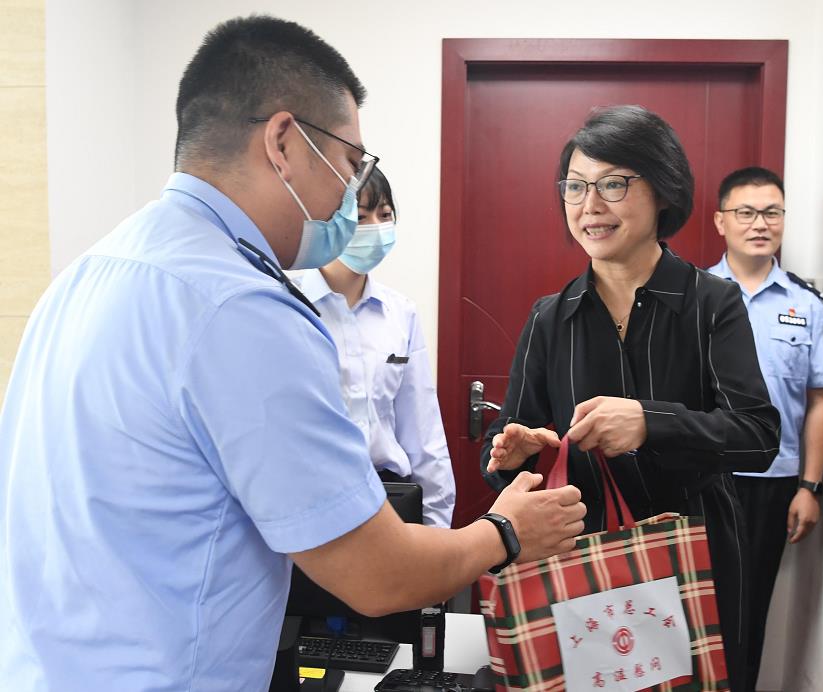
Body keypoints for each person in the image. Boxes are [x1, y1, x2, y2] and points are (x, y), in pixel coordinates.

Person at [0, 16, 587, 692]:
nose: (350, 197)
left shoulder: (91, 272)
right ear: (283, 142)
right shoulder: (241, 309)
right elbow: (377, 575)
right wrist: (505, 531)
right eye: (350, 165)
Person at [479, 105, 781, 692]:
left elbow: (758, 435)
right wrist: (514, 454)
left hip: (696, 555)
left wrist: (651, 423)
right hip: (580, 560)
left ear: (663, 189)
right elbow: (511, 451)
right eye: (575, 186)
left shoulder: (711, 303)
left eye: (613, 184)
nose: (590, 205)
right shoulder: (550, 318)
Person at [707, 166, 823, 692]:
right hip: (702, 478)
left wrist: (810, 486)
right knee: (692, 606)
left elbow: (820, 400)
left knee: (749, 612)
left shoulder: (806, 305)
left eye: (772, 212)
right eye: (746, 212)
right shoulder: (693, 295)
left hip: (771, 482)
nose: (760, 223)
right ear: (721, 221)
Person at [298, 167, 455, 527]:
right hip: (311, 501)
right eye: (360, 216)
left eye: (384, 215)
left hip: (389, 500)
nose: (375, 227)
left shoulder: (400, 313)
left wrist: (436, 526)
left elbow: (423, 431)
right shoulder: (289, 306)